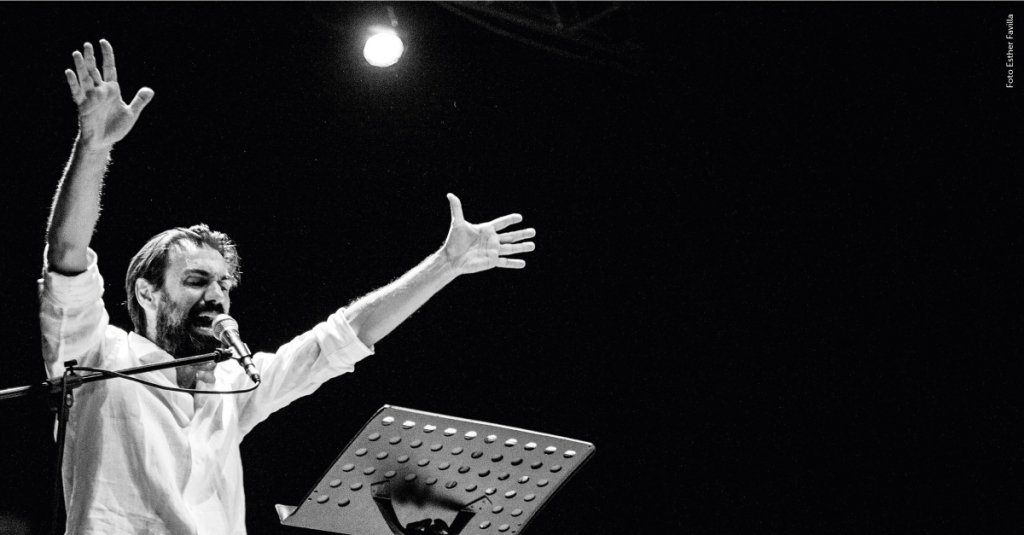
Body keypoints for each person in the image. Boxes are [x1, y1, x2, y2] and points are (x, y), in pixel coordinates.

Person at [40, 39, 536, 535]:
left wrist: (444, 264)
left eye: (224, 284)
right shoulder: (98, 359)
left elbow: (342, 338)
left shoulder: (235, 383)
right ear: (147, 293)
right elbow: (66, 255)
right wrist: (94, 147)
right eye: (196, 280)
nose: (216, 295)